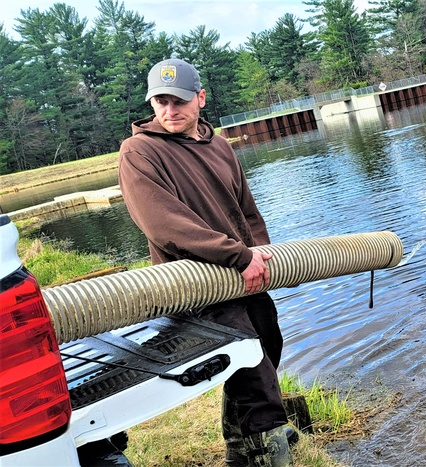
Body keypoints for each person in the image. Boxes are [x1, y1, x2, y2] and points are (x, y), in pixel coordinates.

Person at [118, 58, 292, 467]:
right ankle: (263, 453)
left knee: (270, 345)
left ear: (200, 98)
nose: (169, 111)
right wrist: (237, 255)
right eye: (160, 101)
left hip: (246, 276)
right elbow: (165, 225)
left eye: (178, 101)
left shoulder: (218, 145)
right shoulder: (139, 152)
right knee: (255, 375)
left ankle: (240, 444)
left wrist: (262, 255)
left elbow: (245, 210)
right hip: (199, 285)